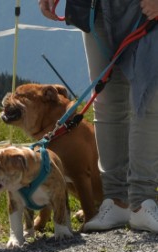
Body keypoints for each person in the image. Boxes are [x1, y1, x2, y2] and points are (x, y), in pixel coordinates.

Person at [39, 0, 158, 232]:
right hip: (94, 7)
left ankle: (142, 202)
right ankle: (115, 201)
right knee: (106, 101)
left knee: (149, 99)